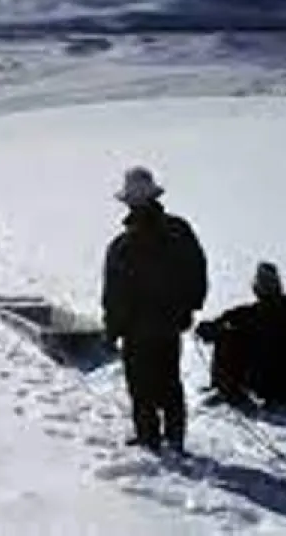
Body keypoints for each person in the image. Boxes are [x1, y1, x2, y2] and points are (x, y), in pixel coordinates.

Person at [102, 166, 208, 453]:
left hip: (137, 329)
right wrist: (189, 307)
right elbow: (197, 270)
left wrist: (112, 331)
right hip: (170, 324)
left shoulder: (121, 245)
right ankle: (175, 438)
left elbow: (114, 295)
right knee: (170, 381)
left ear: (128, 203)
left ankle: (149, 437)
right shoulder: (179, 230)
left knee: (141, 386)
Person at [195, 262, 286, 409]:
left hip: (274, 387)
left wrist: (214, 329)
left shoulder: (255, 316)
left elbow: (227, 323)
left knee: (229, 336)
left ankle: (227, 388)